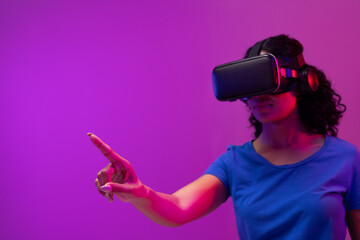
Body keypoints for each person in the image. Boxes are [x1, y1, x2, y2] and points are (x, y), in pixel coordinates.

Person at [89, 34, 360, 239]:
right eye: (250, 83)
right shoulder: (234, 163)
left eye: (266, 79)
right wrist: (140, 193)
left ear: (303, 82)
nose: (258, 94)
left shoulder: (345, 159)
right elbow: (179, 207)